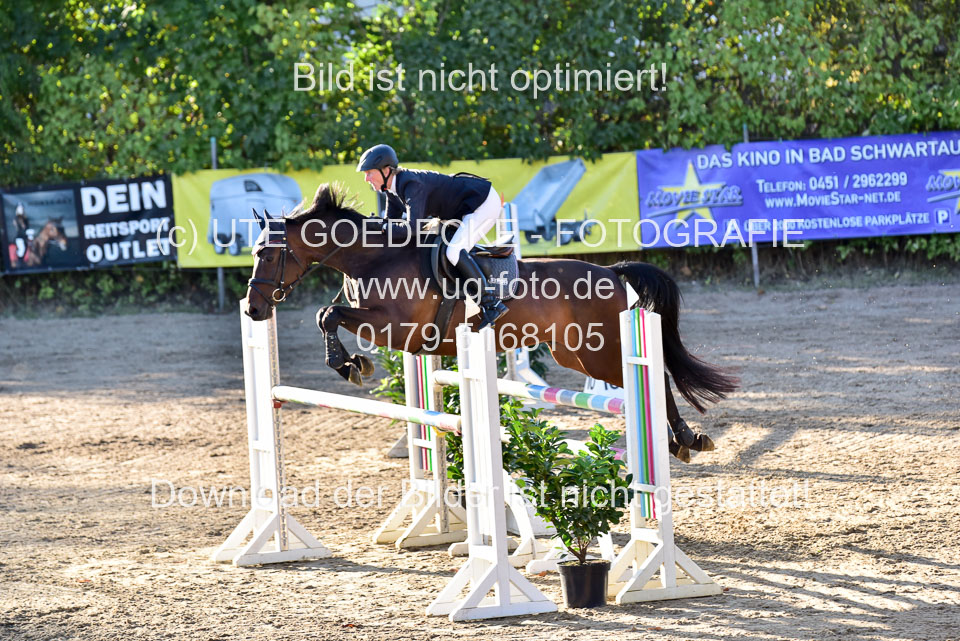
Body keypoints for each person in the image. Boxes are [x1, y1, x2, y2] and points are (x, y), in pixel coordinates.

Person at [356, 144, 509, 329]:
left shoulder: (411, 184)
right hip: (461, 210)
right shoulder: (392, 191)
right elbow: (390, 229)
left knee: (453, 252)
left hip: (481, 203)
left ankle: (491, 303)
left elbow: (412, 228)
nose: (366, 178)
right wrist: (373, 229)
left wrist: (383, 226)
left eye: (369, 173)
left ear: (386, 170)